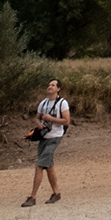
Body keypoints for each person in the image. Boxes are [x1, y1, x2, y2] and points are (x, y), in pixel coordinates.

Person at [23, 78, 70, 206]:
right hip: (44, 137)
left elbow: (66, 121)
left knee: (39, 165)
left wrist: (51, 119)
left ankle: (32, 197)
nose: (50, 87)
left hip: (55, 137)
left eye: (53, 85)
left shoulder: (62, 103)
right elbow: (37, 118)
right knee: (48, 166)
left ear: (58, 89)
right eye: (49, 85)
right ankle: (56, 193)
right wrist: (39, 124)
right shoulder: (43, 103)